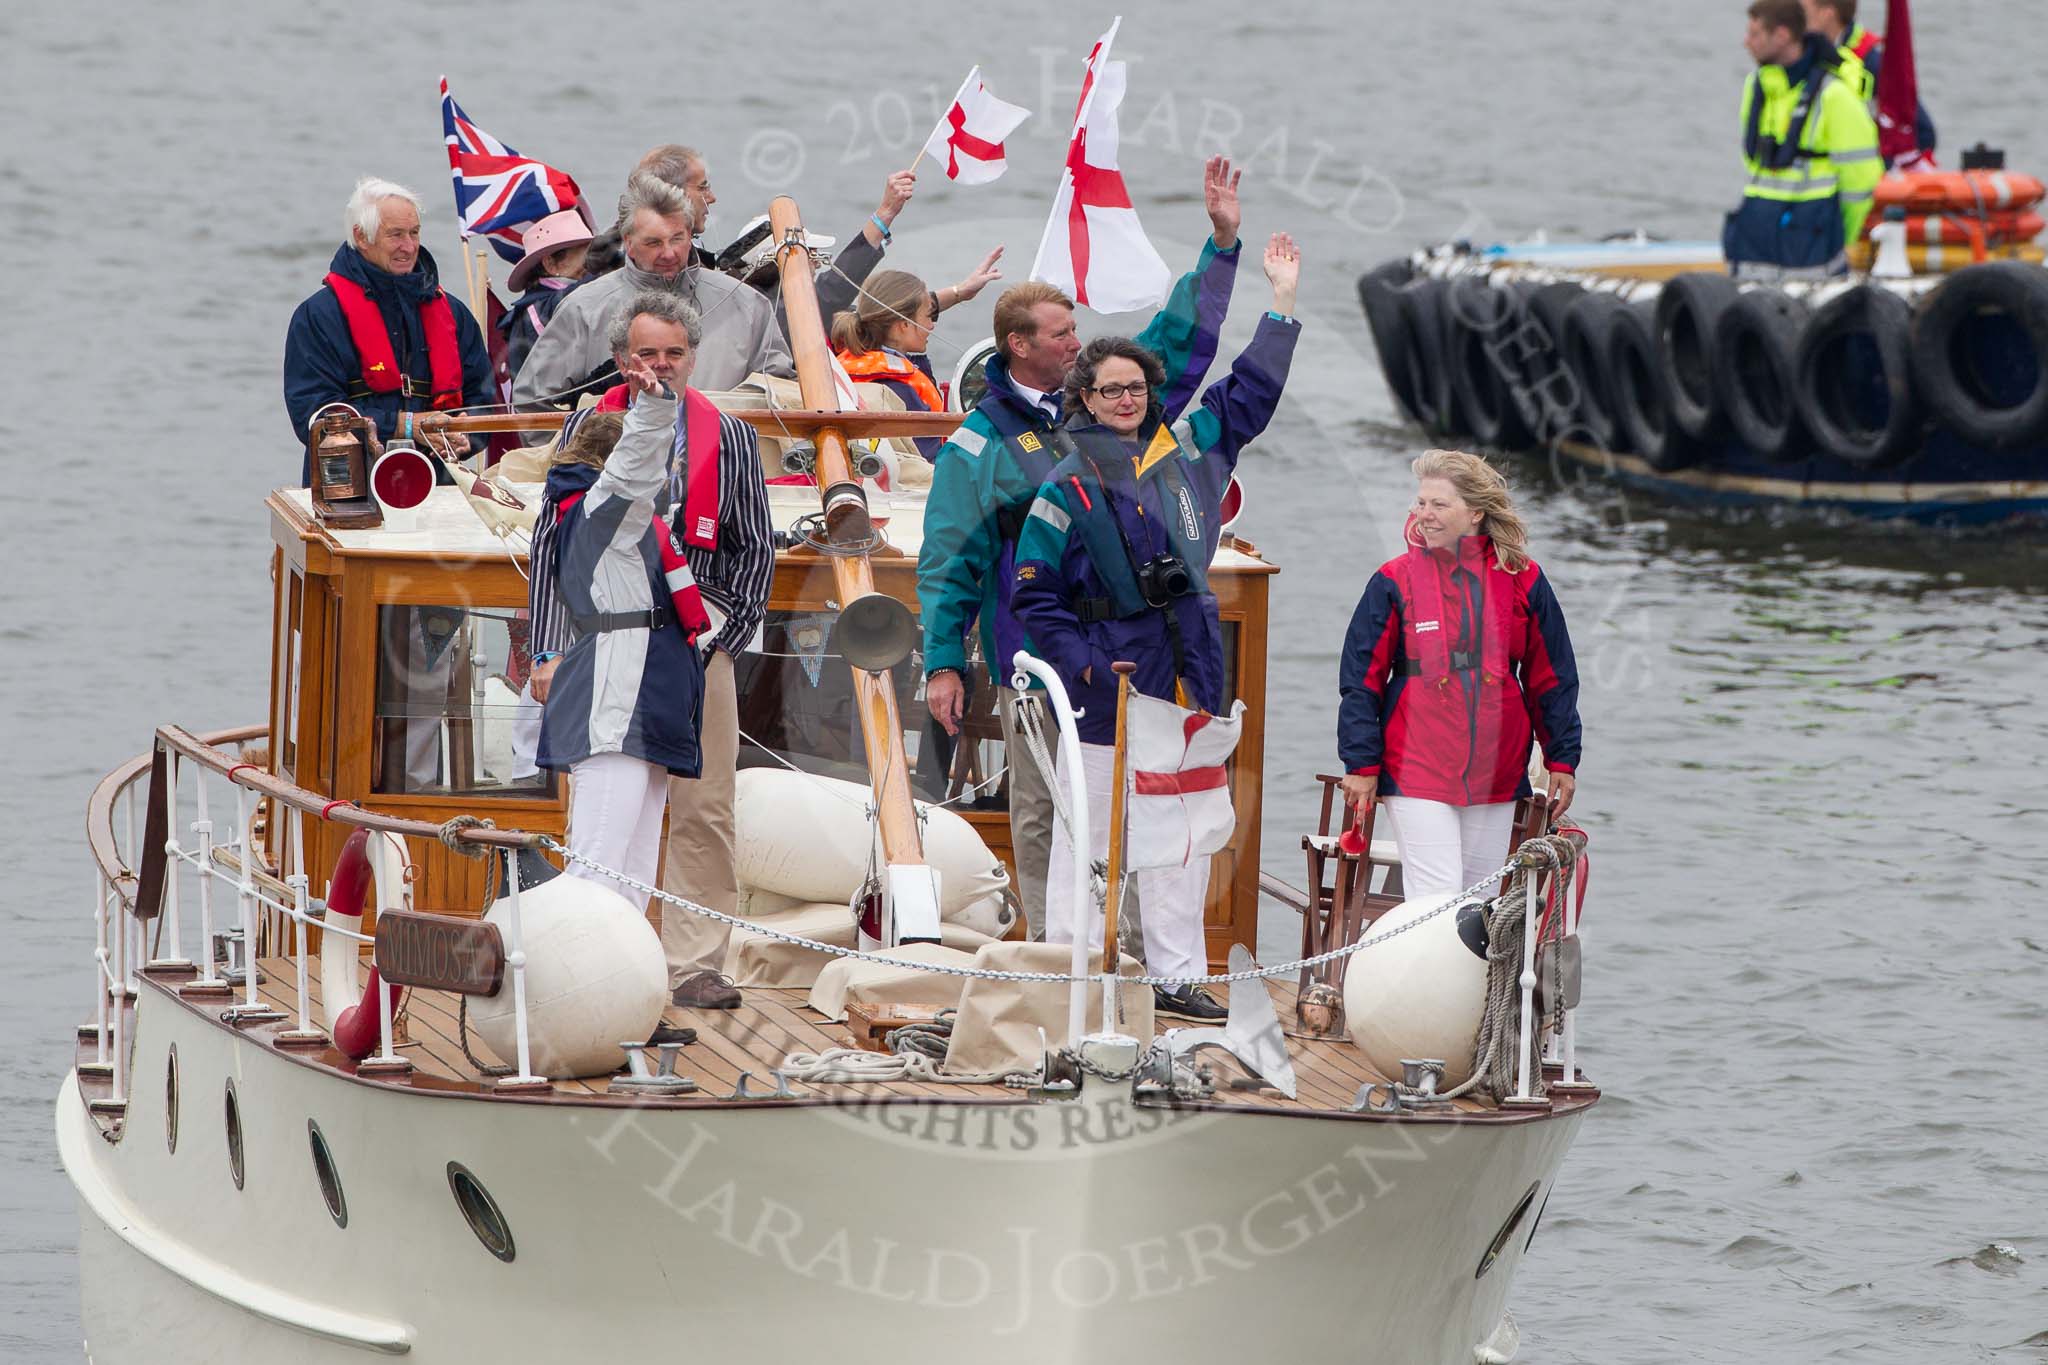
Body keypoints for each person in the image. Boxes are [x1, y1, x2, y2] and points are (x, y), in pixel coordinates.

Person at [919, 155, 1245, 945]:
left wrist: (1222, 246)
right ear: (1018, 345)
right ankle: (1055, 952)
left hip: (1135, 658)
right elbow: (949, 558)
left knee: (1143, 798)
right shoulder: (977, 445)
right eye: (1063, 333)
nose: (1079, 341)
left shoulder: (1108, 402)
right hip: (1035, 659)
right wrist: (940, 663)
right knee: (1045, 810)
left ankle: (1131, 949)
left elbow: (1181, 342)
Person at [1011, 233, 1302, 1023]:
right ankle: (1078, 969)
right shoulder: (1063, 490)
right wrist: (1084, 667)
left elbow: (1250, 391)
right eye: (1110, 390)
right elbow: (1034, 599)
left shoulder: (1195, 451)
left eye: (1136, 387)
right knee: (1087, 841)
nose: (1127, 399)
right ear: (1086, 400)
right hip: (1104, 690)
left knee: (1178, 837)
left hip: (1183, 682)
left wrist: (1280, 303)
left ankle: (1177, 975)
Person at [530, 291, 773, 1011]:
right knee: (608, 806)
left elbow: (753, 550)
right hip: (608, 639)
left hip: (700, 642)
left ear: (692, 356)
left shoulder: (728, 436)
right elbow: (553, 549)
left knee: (704, 806)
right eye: (646, 354)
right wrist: (546, 648)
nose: (660, 365)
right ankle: (592, 967)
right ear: (619, 359)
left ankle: (691, 961)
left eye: (673, 353)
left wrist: (719, 636)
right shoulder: (587, 427)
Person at [1335, 451, 1583, 904]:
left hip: (1498, 769)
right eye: (1420, 503)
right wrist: (1361, 765)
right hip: (1416, 767)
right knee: (1436, 899)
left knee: (1479, 904)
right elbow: (1360, 680)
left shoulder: (1524, 579)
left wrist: (1561, 758)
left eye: (1438, 504)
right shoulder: (1393, 580)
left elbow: (1553, 676)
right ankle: (1416, 975)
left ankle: (1470, 979)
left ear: (1475, 513)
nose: (1423, 514)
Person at [533, 346, 708, 927]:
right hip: (616, 710)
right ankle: (575, 1001)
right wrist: (655, 412)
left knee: (631, 878)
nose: (664, 484)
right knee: (597, 867)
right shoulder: (600, 514)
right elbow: (632, 471)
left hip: (646, 708)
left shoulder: (620, 525)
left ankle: (624, 1006)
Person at [283, 177, 492, 480]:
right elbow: (313, 417)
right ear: (362, 236)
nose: (409, 247)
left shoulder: (453, 313)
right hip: (349, 489)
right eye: (396, 235)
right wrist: (404, 426)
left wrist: (464, 436)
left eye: (414, 233)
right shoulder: (318, 316)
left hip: (438, 485)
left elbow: (483, 399)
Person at [1724, 0, 1882, 277]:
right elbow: (1753, 164)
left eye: (1755, 34)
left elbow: (1861, 179)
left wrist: (1843, 241)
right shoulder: (1757, 86)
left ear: (1782, 35)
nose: (1746, 43)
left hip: (1813, 246)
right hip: (1756, 242)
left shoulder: (1834, 95)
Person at [830, 252, 1004, 460]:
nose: (932, 325)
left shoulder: (846, 366)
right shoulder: (900, 392)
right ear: (903, 325)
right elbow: (934, 459)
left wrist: (959, 292)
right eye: (928, 316)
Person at [1801, 0, 1937, 162]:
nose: (1795, 19)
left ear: (1827, 14)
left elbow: (1923, 132)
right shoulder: (1807, 55)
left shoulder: (1871, 62)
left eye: (1803, 11)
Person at [500, 207, 595, 382]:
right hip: (549, 405)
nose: (593, 262)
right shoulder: (539, 310)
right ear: (551, 264)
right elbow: (577, 297)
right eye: (585, 254)